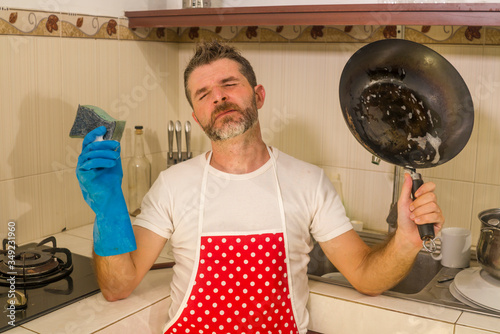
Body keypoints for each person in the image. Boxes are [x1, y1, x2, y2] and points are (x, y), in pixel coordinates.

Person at [76, 40, 444, 334]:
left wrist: (406, 241)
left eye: (229, 85)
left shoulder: (308, 182)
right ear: (196, 116)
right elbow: (117, 286)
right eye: (203, 94)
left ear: (259, 96)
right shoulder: (172, 185)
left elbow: (365, 275)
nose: (218, 98)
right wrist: (107, 207)